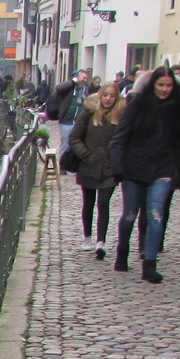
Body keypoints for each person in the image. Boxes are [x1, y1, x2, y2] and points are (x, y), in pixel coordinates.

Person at [109, 66, 180, 282]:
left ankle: (150, 263)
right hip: (134, 168)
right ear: (153, 84)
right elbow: (120, 138)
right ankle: (123, 250)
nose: (164, 89)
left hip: (162, 169)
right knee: (130, 215)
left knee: (155, 216)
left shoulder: (177, 110)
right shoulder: (137, 105)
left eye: (169, 85)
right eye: (161, 85)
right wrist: (117, 168)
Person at [70, 82, 123, 259]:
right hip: (89, 164)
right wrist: (85, 154)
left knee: (104, 202)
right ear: (100, 96)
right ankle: (87, 236)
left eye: (112, 96)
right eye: (106, 95)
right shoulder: (89, 113)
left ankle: (101, 242)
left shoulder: (120, 115)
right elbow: (75, 137)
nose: (108, 99)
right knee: (89, 202)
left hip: (109, 166)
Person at [51, 69, 91, 154]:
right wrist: (72, 82)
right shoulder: (70, 86)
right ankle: (63, 164)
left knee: (76, 144)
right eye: (84, 77)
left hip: (78, 122)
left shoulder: (85, 89)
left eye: (86, 78)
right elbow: (59, 88)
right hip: (66, 120)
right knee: (65, 144)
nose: (85, 80)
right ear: (77, 77)